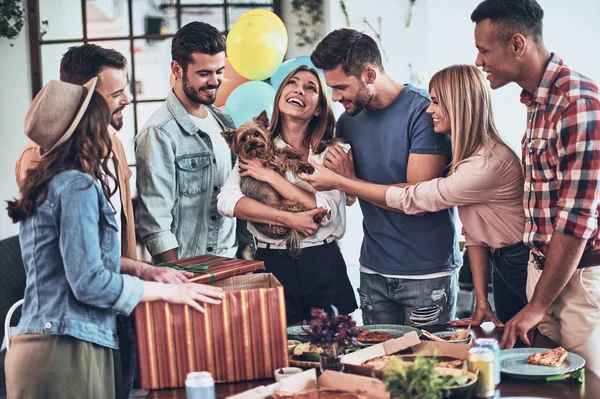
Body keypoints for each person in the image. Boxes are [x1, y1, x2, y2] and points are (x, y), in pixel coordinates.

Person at [5, 79, 225, 398]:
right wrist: (167, 293)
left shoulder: (53, 182)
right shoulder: (75, 186)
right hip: (66, 348)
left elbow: (84, 261)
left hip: (48, 343)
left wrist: (145, 271)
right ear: (87, 127)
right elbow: (89, 281)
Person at [301, 64, 530, 326]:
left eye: (435, 102)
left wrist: (346, 181)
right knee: (513, 344)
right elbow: (474, 234)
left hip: (519, 259)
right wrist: (481, 301)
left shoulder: (486, 165)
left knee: (529, 347)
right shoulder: (467, 157)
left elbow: (415, 199)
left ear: (458, 105)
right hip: (500, 261)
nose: (429, 109)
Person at [471, 0, 600, 375]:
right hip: (542, 271)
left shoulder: (578, 103)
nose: (479, 61)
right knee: (545, 382)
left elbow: (576, 220)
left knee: (585, 384)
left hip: (579, 279)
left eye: (483, 50)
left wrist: (537, 306)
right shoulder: (536, 102)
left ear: (516, 45)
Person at [310, 29, 461, 327]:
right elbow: (353, 196)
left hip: (425, 273)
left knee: (425, 370)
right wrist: (346, 179)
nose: (335, 97)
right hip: (373, 271)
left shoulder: (424, 113)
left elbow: (415, 198)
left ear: (368, 74)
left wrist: (344, 181)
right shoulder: (348, 119)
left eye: (341, 87)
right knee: (376, 368)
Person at [217, 66, 357, 325]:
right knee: (280, 354)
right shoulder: (256, 148)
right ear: (280, 96)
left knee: (335, 351)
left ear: (318, 108)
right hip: (272, 262)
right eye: (292, 83)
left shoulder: (331, 152)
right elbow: (226, 201)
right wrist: (288, 218)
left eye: (310, 87)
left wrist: (271, 177)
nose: (299, 89)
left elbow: (326, 213)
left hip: (323, 262)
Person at [136, 21, 253, 264]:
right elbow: (156, 226)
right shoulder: (159, 133)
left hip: (231, 262)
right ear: (177, 69)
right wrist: (180, 280)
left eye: (219, 71)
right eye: (204, 73)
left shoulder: (223, 121)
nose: (215, 81)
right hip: (192, 273)